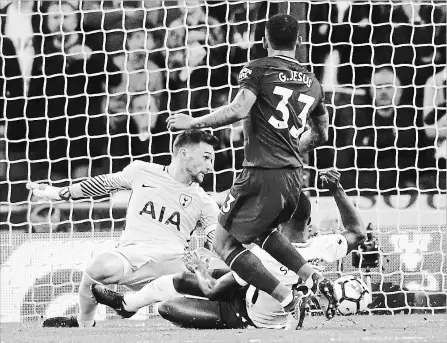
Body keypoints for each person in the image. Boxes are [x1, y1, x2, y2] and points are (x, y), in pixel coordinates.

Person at [166, 13, 335, 326]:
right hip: (292, 178)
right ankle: (312, 277)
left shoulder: (256, 69)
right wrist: (293, 149)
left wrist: (194, 122)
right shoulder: (313, 83)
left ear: (264, 40)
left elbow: (239, 109)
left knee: (222, 244)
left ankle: (288, 299)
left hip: (259, 171)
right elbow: (323, 133)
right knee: (264, 234)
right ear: (299, 42)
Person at [92, 169, 366, 329]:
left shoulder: (263, 257)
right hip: (247, 290)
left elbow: (212, 289)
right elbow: (356, 232)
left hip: (243, 316)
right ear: (308, 221)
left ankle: (130, 304)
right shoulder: (324, 246)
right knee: (194, 275)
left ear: (276, 222)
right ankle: (126, 306)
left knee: (168, 305)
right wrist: (337, 189)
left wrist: (198, 268)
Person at [26, 129, 220, 328]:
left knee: (201, 285)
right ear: (183, 153)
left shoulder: (205, 202)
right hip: (132, 255)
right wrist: (58, 193)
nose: (210, 167)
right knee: (97, 268)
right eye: (206, 158)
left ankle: (130, 304)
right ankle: (84, 323)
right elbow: (103, 184)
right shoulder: (142, 171)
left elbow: (218, 242)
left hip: (172, 265)